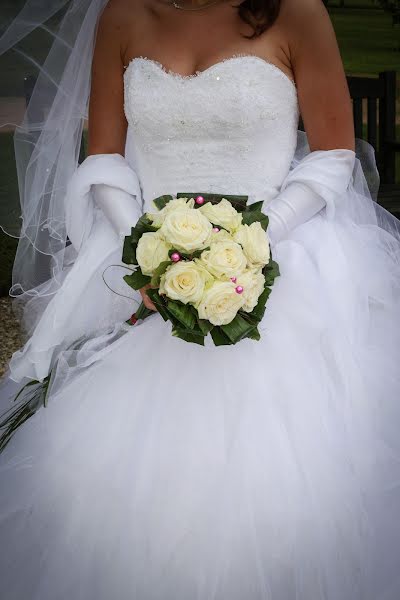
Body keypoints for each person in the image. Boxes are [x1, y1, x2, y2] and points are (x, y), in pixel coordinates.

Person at [0, 0, 400, 598]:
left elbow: (333, 153)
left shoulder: (297, 12)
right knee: (89, 478)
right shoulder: (123, 15)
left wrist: (249, 242)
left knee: (284, 485)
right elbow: (106, 155)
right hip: (143, 262)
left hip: (277, 256)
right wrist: (145, 251)